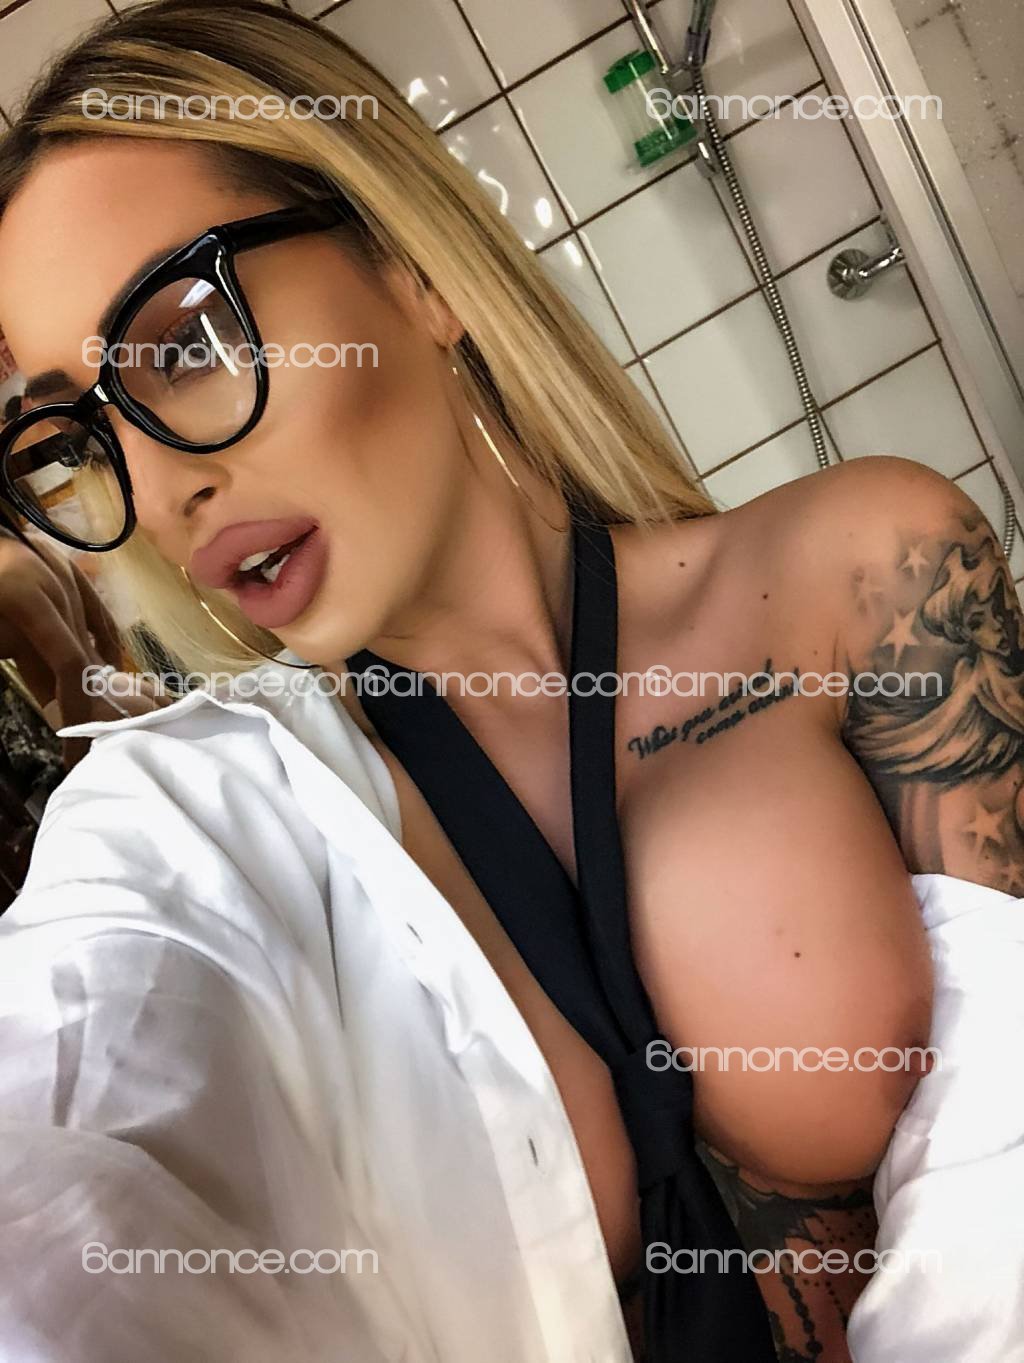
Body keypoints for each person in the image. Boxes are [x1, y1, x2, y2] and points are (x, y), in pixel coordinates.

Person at [0, 3, 1020, 1361]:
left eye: (183, 346)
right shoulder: (213, 813)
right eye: (74, 437)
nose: (156, 482)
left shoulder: (862, 573)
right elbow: (69, 1115)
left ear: (417, 270)